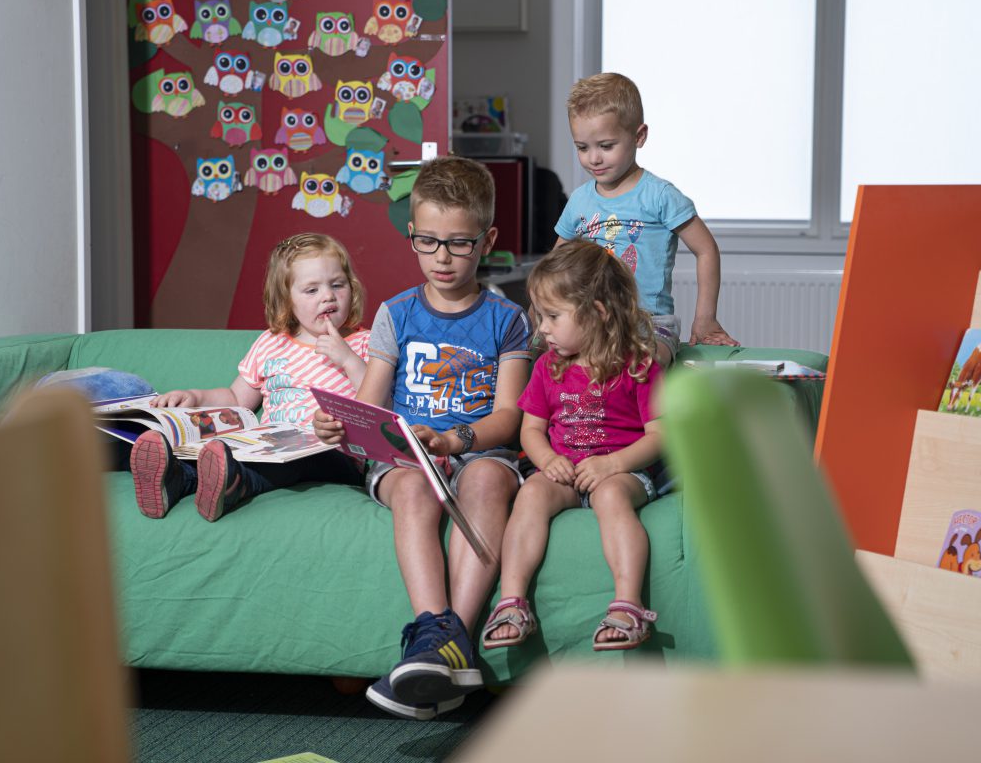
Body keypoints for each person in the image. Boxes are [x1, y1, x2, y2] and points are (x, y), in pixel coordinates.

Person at [313, 156, 531, 721]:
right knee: (410, 489)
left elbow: (509, 415)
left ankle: (441, 648)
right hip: (409, 456)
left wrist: (459, 440)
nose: (442, 257)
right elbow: (370, 401)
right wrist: (340, 424)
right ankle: (441, 637)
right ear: (411, 235)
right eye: (428, 242)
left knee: (486, 478)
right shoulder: (396, 313)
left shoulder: (508, 319)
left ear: (488, 241)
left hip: (476, 449)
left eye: (459, 244)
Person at [481, 240, 665, 653]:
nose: (541, 328)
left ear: (597, 313)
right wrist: (547, 460)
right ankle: (511, 601)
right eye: (539, 315)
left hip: (622, 471)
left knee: (613, 495)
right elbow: (531, 430)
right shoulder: (548, 366)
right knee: (530, 493)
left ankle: (627, 605)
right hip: (565, 472)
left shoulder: (637, 364)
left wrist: (612, 464)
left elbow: (660, 435)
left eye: (552, 316)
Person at [130, 232, 369, 522]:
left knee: (296, 460)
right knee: (226, 451)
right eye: (312, 290)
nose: (328, 296)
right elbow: (235, 399)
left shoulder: (363, 343)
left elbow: (379, 398)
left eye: (337, 285)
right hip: (271, 445)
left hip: (335, 453)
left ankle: (237, 484)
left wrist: (347, 359)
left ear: (351, 288)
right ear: (287, 300)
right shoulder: (272, 343)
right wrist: (194, 397)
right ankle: (177, 478)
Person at [556, 71, 739, 366]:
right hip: (588, 319)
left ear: (639, 136)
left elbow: (706, 250)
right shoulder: (579, 201)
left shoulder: (660, 195)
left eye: (606, 146)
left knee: (643, 366)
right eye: (582, 148)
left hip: (648, 321)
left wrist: (705, 319)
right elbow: (557, 263)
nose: (594, 158)